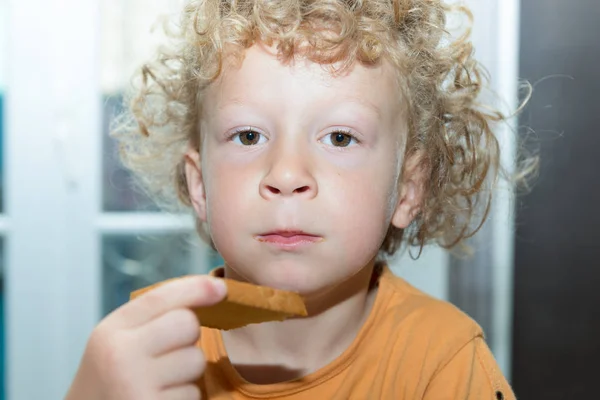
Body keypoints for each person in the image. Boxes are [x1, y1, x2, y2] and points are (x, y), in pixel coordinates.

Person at [67, 0, 530, 398]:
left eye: (341, 138)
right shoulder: (152, 357)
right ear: (200, 185)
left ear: (408, 188)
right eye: (249, 135)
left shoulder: (443, 363)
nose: (287, 174)